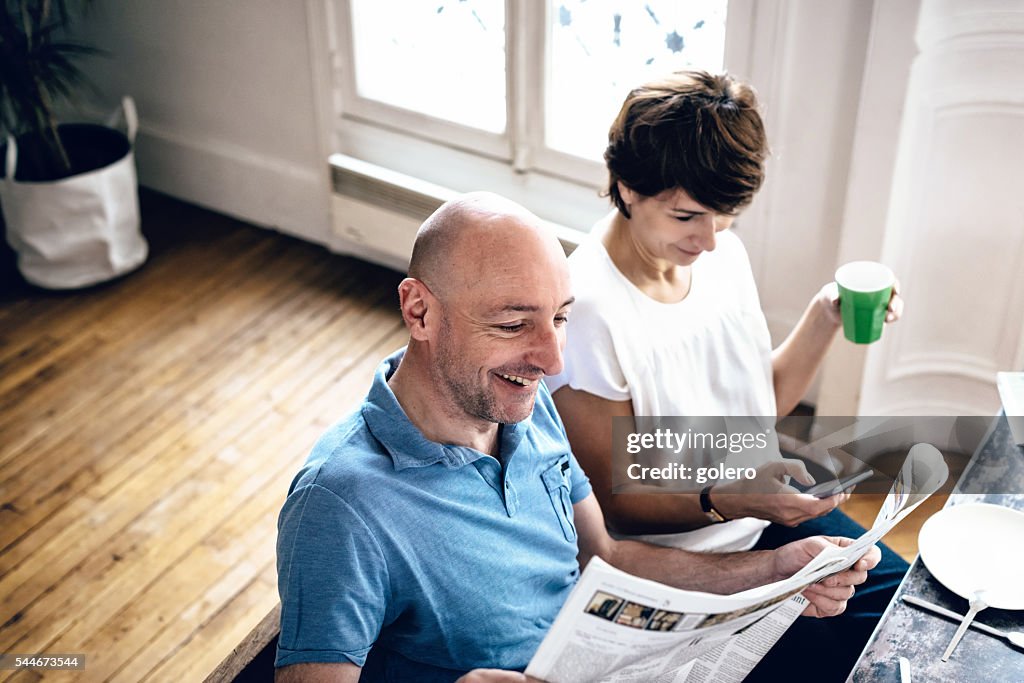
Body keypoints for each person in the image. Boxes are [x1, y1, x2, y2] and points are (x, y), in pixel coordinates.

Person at [274, 192, 881, 682]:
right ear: (419, 312)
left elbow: (606, 556)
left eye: (560, 317)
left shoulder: (522, 407)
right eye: (514, 323)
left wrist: (775, 569)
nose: (552, 359)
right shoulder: (339, 504)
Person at [545, 70, 907, 680]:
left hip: (758, 518)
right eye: (687, 216)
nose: (709, 241)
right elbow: (614, 507)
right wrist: (723, 497)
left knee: (916, 618)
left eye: (726, 216)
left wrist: (825, 316)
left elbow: (754, 408)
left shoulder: (719, 257)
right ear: (628, 187)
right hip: (680, 569)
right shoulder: (589, 311)